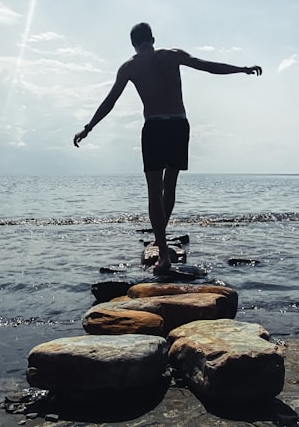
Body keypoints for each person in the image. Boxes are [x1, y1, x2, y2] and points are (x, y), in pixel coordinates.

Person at [73, 22, 262, 274]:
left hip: (153, 127)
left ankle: (163, 253)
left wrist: (88, 128)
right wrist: (242, 69)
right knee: (169, 186)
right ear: (152, 38)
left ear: (133, 44)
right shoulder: (170, 55)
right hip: (178, 125)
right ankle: (162, 245)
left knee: (154, 190)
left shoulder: (129, 67)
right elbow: (207, 66)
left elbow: (110, 101)